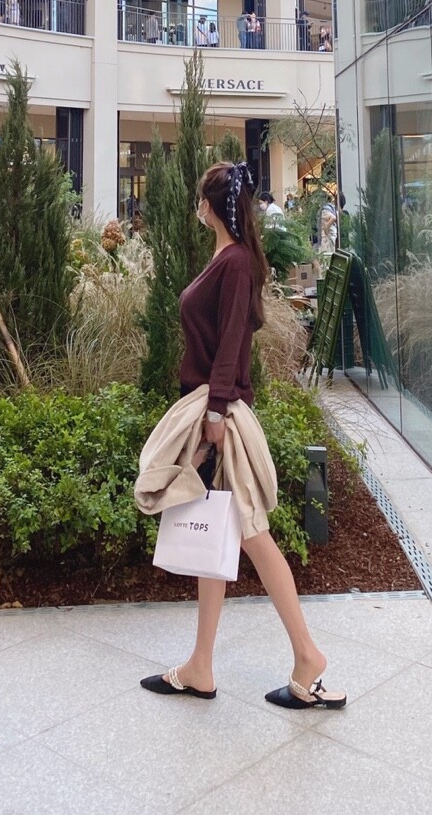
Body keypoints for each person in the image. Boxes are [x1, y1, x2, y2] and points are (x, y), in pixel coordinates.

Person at [139, 161, 346, 709]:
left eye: (199, 199)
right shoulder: (229, 258)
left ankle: (307, 656)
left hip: (220, 416)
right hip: (216, 410)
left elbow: (232, 343)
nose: (196, 207)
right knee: (221, 531)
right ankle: (201, 666)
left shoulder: (233, 264)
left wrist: (215, 415)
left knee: (252, 533)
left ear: (210, 207)